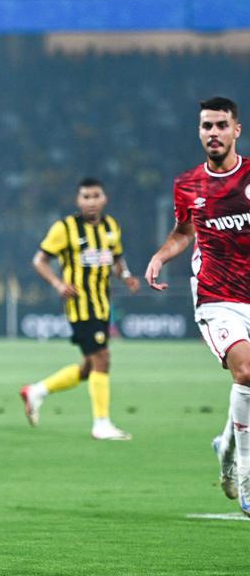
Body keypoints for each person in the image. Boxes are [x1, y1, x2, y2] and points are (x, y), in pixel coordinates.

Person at [145, 96, 250, 513]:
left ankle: (225, 447)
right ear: (199, 131)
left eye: (221, 125)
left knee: (248, 382)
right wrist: (159, 256)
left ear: (236, 130)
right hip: (216, 296)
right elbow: (183, 231)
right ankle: (245, 476)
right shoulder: (189, 184)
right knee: (244, 368)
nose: (213, 133)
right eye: (207, 126)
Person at [20, 178, 140, 440]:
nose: (91, 201)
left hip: (102, 304)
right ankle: (101, 423)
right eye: (85, 196)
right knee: (103, 359)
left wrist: (126, 276)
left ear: (104, 198)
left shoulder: (111, 227)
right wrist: (57, 283)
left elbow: (117, 259)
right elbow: (39, 260)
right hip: (81, 306)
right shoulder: (65, 228)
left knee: (89, 367)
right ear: (78, 200)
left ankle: (36, 391)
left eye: (95, 195)